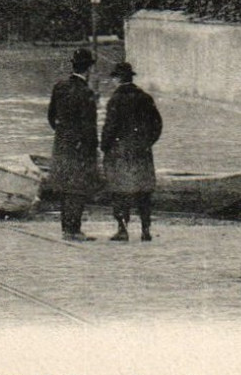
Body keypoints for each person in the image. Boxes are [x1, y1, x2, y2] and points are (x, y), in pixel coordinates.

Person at [100, 61, 163, 242]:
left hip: (120, 153)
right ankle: (145, 230)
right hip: (142, 151)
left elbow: (110, 127)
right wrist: (147, 142)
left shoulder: (116, 100)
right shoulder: (145, 97)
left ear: (118, 79)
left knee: (120, 191)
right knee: (143, 190)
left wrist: (104, 146)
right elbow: (157, 124)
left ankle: (122, 229)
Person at [48, 48, 100, 241]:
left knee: (64, 186)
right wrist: (93, 149)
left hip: (62, 145)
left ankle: (66, 228)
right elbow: (90, 126)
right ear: (88, 70)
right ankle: (74, 230)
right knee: (78, 189)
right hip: (80, 148)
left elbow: (51, 117)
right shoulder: (86, 93)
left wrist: (63, 135)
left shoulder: (59, 87)